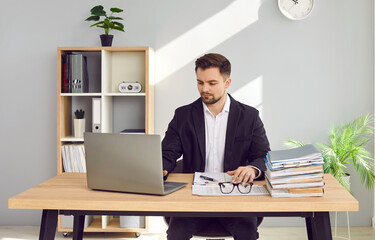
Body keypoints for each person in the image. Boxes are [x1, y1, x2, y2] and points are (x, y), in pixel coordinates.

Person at [162, 53, 270, 240]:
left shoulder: (249, 116)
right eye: (200, 82)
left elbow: (263, 156)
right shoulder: (183, 115)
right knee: (175, 234)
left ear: (227, 83)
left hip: (234, 198)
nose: (204, 89)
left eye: (212, 83)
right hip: (193, 199)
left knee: (247, 234)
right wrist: (160, 167)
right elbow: (167, 153)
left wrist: (252, 169)